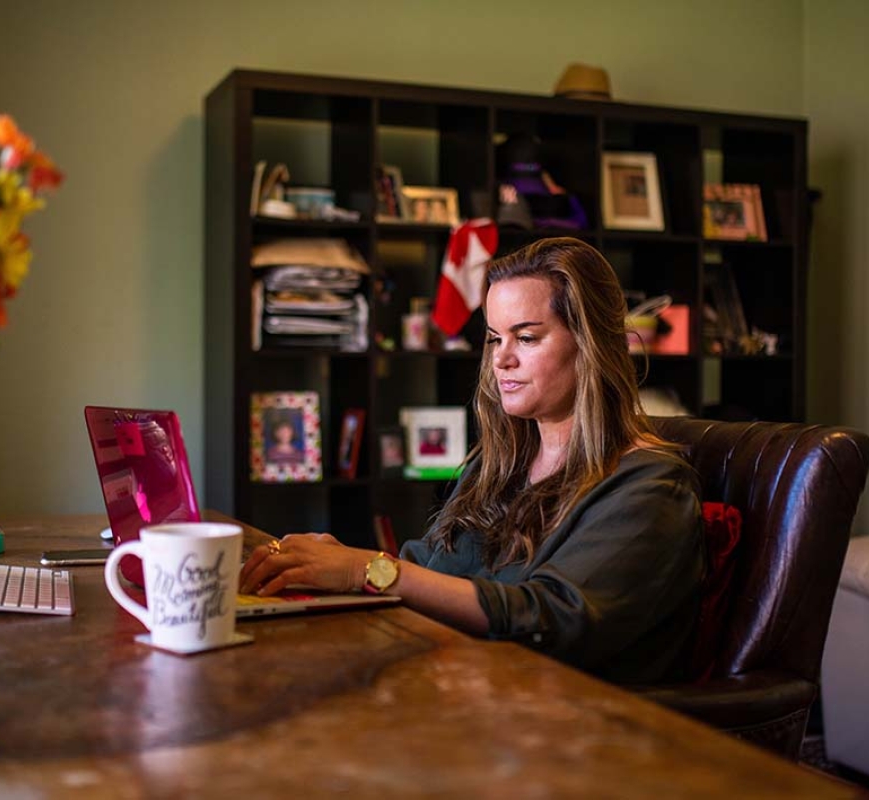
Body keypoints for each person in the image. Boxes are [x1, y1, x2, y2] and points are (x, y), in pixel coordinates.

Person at [240, 237, 704, 685]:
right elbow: (432, 569)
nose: (501, 360)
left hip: (570, 731)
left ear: (593, 346)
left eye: (526, 338)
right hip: (462, 688)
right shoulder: (501, 462)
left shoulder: (652, 486)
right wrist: (336, 567)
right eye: (493, 338)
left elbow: (549, 620)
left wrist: (368, 571)